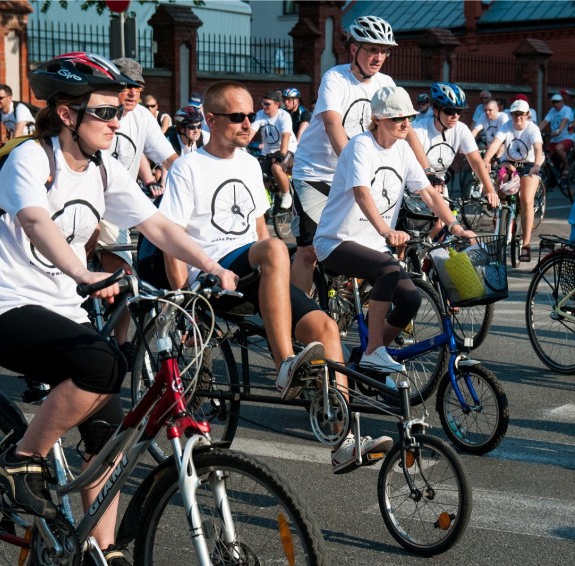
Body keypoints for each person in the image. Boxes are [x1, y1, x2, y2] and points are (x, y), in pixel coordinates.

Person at [0, 52, 232, 566]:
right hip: (2, 308)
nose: (118, 120)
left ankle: (100, 551)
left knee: (108, 432)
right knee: (103, 364)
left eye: (119, 111)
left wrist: (211, 266)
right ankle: (22, 459)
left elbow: (156, 225)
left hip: (61, 312)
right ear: (68, 115)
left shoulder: (104, 169)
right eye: (104, 112)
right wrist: (84, 273)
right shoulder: (31, 158)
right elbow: (37, 223)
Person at [159, 80, 392, 472]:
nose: (248, 123)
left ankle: (343, 439)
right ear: (210, 120)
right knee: (274, 249)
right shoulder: (187, 168)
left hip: (254, 268)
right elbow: (170, 240)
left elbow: (259, 229)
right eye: (237, 117)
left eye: (250, 115)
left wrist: (276, 275)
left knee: (326, 327)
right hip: (211, 277)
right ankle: (284, 363)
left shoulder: (251, 164)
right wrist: (184, 301)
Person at [314, 86, 477, 375]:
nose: (405, 124)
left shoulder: (402, 149)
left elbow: (427, 192)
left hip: (373, 247)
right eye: (397, 118)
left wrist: (454, 225)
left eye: (410, 118)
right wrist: (386, 231)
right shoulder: (361, 146)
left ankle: (366, 358)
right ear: (378, 118)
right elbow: (362, 193)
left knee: (411, 298)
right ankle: (375, 351)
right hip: (337, 241)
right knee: (388, 268)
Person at [290, 15, 429, 294]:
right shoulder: (335, 78)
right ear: (354, 49)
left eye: (384, 51)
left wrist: (427, 172)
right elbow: (333, 124)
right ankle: (298, 318)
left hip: (359, 175)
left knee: (369, 244)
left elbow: (406, 128)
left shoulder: (386, 82)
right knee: (310, 251)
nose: (378, 57)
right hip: (316, 174)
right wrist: (351, 169)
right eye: (372, 49)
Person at [98, 57, 178, 365]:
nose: (132, 92)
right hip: (92, 203)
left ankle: (122, 344)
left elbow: (170, 158)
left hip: (124, 205)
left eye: (138, 86)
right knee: (112, 270)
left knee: (129, 277)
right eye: (126, 86)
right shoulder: (99, 109)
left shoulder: (143, 117)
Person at [412, 82, 498, 210]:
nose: (455, 116)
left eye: (459, 111)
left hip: (439, 186)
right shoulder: (419, 128)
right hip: (415, 183)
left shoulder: (461, 129)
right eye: (449, 111)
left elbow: (476, 162)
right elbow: (412, 161)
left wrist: (490, 189)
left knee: (444, 224)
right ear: (436, 111)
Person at [482, 98, 544, 262]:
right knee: (500, 189)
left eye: (521, 114)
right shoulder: (506, 126)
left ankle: (526, 244)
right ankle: (501, 219)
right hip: (509, 162)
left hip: (530, 164)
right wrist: (486, 160)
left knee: (526, 199)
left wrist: (537, 164)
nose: (518, 117)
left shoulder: (533, 129)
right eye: (515, 114)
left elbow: (538, 148)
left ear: (527, 114)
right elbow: (496, 144)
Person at [249, 90, 296, 210]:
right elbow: (251, 133)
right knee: (256, 173)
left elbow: (286, 136)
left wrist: (282, 154)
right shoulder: (260, 114)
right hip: (268, 152)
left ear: (277, 104)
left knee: (276, 167)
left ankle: (286, 195)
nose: (264, 106)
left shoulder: (283, 116)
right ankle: (272, 195)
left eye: (267, 104)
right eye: (263, 103)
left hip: (287, 149)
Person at [540, 92, 574, 180]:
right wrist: (536, 131)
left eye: (557, 102)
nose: (555, 104)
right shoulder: (552, 110)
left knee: (558, 148)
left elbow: (564, 121)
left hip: (567, 137)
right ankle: (551, 176)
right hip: (555, 139)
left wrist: (559, 130)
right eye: (553, 102)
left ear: (562, 101)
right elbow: (544, 122)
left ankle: (566, 166)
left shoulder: (567, 109)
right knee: (545, 155)